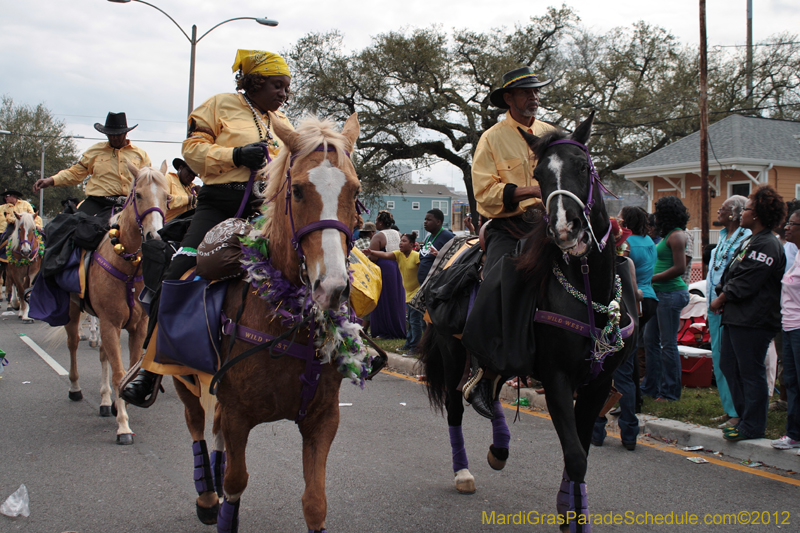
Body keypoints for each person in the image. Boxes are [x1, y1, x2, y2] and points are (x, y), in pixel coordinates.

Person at [121, 49, 294, 407]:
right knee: (176, 271)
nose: (283, 94)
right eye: (277, 86)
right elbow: (193, 150)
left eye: (286, 88)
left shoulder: (282, 121)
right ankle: (150, 371)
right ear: (255, 81)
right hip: (219, 205)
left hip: (266, 211)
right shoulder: (218, 104)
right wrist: (235, 155)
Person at [463, 66, 558, 415]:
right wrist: (531, 189)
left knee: (593, 268)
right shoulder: (491, 138)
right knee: (500, 280)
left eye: (536, 91)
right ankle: (483, 374)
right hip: (510, 226)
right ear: (508, 98)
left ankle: (598, 359)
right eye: (525, 92)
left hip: (550, 225)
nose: (533, 97)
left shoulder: (552, 133)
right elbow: (484, 193)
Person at [710, 186, 786, 441]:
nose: (743, 212)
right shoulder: (750, 240)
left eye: (748, 208)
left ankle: (753, 426)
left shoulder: (768, 244)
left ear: (758, 214)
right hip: (735, 317)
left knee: (750, 371)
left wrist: (721, 297)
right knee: (728, 365)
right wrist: (722, 290)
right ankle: (742, 417)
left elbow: (747, 281)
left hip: (754, 320)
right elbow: (732, 272)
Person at [33, 112, 151, 223]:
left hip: (129, 203)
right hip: (98, 202)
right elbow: (75, 173)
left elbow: (149, 182)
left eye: (117, 135)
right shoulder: (95, 151)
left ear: (125, 133)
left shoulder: (140, 155)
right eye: (110, 135)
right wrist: (51, 180)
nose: (114, 138)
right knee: (70, 226)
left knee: (150, 231)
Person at [706, 195, 750, 429]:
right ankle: (729, 407)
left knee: (733, 362)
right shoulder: (722, 237)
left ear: (734, 212)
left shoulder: (747, 238)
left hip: (730, 308)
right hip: (714, 307)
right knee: (720, 359)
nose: (718, 212)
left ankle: (739, 412)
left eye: (722, 209)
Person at [641, 196, 690, 402]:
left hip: (670, 293)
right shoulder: (667, 235)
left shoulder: (677, 236)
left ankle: (670, 392)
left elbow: (680, 268)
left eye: (659, 212)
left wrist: (651, 278)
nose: (656, 216)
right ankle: (651, 386)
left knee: (667, 344)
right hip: (658, 294)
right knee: (649, 340)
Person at [619, 206, 658, 412]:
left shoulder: (626, 243)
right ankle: (634, 399)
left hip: (634, 300)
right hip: (650, 297)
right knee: (633, 351)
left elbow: (624, 271)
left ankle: (630, 401)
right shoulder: (649, 241)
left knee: (627, 354)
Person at [364, 232, 423, 354]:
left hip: (417, 293)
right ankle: (408, 344)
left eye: (404, 241)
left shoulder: (416, 256)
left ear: (412, 245)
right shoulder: (398, 255)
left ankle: (415, 347)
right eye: (400, 241)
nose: (401, 243)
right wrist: (371, 252)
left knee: (415, 321)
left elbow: (425, 269)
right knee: (411, 321)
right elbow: (385, 254)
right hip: (408, 293)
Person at [774, 208, 800, 451]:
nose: (787, 227)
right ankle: (793, 433)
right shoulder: (794, 253)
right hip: (789, 325)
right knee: (791, 380)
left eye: (793, 224)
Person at [367, 210, 406, 339]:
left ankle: (383, 330)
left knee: (383, 298)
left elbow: (372, 257)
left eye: (376, 221)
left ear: (381, 223)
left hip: (384, 268)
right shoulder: (398, 233)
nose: (375, 223)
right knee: (396, 298)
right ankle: (397, 328)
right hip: (397, 267)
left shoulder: (378, 236)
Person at [417, 209, 454, 285]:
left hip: (436, 284)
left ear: (438, 222)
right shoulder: (428, 237)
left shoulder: (447, 236)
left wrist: (441, 255)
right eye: (425, 219)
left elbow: (456, 257)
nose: (425, 222)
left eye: (429, 220)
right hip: (423, 283)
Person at [165, 158, 198, 222]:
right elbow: (164, 201)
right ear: (180, 168)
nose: (191, 176)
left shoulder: (192, 187)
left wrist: (201, 194)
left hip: (186, 224)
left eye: (194, 175)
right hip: (168, 225)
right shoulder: (168, 178)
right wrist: (189, 199)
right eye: (189, 171)